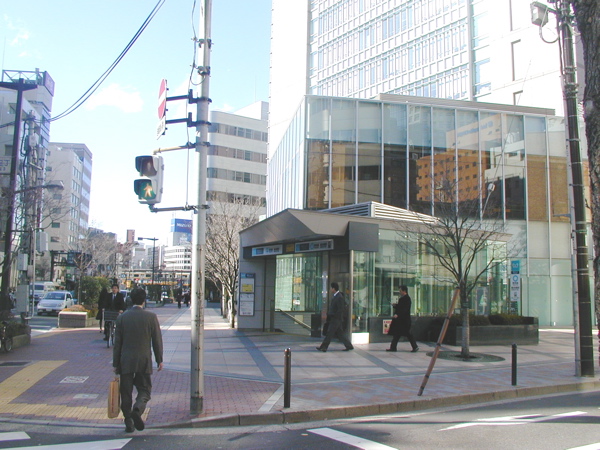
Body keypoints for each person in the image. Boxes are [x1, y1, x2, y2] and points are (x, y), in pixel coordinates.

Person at [113, 287, 163, 433]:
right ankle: (138, 409)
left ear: (131, 299)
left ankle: (128, 421)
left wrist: (116, 363)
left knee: (126, 392)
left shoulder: (122, 318)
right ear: (144, 300)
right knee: (145, 389)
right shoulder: (151, 317)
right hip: (144, 359)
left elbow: (117, 343)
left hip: (126, 360)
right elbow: (157, 340)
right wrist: (159, 359)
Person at [316, 282, 354, 352]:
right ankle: (349, 345)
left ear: (334, 288)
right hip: (335, 318)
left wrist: (334, 315)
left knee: (329, 333)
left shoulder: (339, 297)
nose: (330, 289)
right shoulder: (336, 296)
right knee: (340, 334)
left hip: (336, 319)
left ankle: (324, 347)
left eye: (331, 288)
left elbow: (340, 309)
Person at [387, 285, 419, 353]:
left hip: (404, 320)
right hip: (401, 320)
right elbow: (401, 307)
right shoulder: (403, 299)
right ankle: (393, 347)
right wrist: (396, 306)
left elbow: (404, 309)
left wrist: (397, 314)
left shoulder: (406, 299)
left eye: (400, 290)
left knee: (407, 334)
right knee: (397, 334)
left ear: (404, 291)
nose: (399, 292)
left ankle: (415, 346)